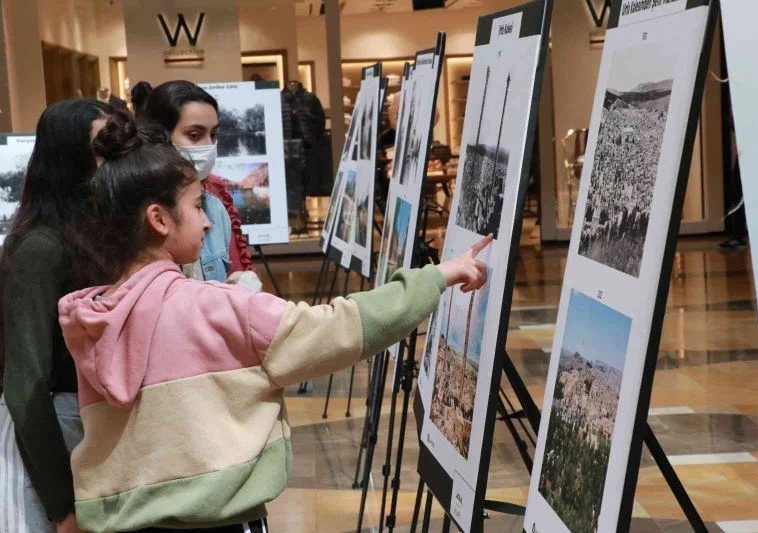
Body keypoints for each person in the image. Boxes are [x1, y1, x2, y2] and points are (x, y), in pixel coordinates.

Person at [57, 113, 490, 532]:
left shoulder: (94, 318)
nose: (209, 219)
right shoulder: (218, 307)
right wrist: (435, 277)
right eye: (196, 206)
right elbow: (335, 327)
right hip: (219, 522)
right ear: (159, 218)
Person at [0, 98, 114, 533]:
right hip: (56, 445)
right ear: (71, 158)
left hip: (91, 440)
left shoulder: (95, 234)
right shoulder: (40, 247)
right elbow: (25, 382)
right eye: (102, 149)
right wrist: (61, 505)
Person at [138, 80, 253, 279]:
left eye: (214, 134)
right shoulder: (131, 212)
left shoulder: (215, 208)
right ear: (159, 136)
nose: (209, 145)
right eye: (194, 135)